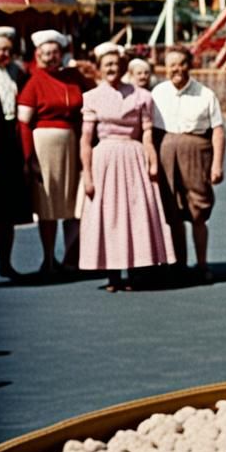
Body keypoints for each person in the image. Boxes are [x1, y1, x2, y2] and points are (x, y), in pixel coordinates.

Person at [79, 43, 175, 292]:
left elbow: (146, 134)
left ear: (123, 67)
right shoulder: (91, 97)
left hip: (133, 158)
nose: (112, 68)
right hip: (105, 161)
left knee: (134, 214)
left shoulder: (141, 96)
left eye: (116, 64)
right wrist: (87, 175)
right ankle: (113, 275)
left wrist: (152, 162)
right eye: (107, 65)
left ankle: (134, 271)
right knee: (109, 215)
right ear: (99, 69)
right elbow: (86, 140)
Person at [16, 30, 89, 275]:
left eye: (55, 53)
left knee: (72, 203)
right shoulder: (34, 81)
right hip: (44, 145)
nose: (50, 58)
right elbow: (24, 122)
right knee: (47, 204)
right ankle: (48, 259)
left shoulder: (73, 77)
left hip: (71, 144)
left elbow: (93, 96)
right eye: (46, 54)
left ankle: (72, 257)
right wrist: (29, 158)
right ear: (38, 55)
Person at [151, 47, 225, 282]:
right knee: (171, 211)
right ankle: (178, 264)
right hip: (165, 156)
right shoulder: (157, 93)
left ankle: (202, 264)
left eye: (182, 63)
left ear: (190, 65)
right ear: (165, 67)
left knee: (198, 211)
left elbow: (218, 131)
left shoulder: (205, 94)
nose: (177, 69)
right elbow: (147, 130)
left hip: (196, 156)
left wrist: (217, 165)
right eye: (172, 64)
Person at [0, 26, 32, 280]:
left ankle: (6, 263)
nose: (4, 53)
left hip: (11, 143)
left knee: (8, 214)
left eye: (7, 49)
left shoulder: (17, 72)